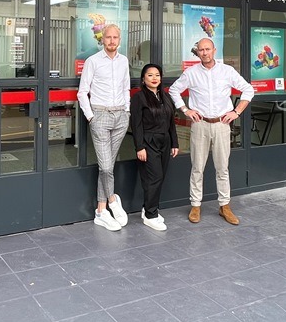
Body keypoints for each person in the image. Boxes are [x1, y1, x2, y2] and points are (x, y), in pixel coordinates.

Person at [169, 37, 254, 224]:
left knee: (222, 168)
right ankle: (195, 206)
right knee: (197, 168)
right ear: (197, 52)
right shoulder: (191, 73)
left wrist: (236, 112)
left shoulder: (227, 71)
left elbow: (248, 90)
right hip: (200, 125)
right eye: (201, 50)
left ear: (214, 50)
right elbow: (174, 90)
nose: (205, 52)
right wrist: (185, 109)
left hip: (221, 124)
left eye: (208, 49)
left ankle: (224, 206)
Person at [77, 23, 130, 231]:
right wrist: (91, 117)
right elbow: (82, 92)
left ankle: (100, 210)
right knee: (106, 166)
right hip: (100, 115)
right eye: (108, 37)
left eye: (115, 37)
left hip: (120, 116)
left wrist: (127, 111)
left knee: (106, 167)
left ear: (120, 39)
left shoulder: (124, 61)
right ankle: (112, 200)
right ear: (102, 39)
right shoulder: (92, 61)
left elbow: (126, 88)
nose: (111, 41)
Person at [130, 63, 179, 231]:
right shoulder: (139, 97)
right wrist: (139, 147)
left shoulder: (165, 96)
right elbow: (136, 124)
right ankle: (151, 216)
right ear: (143, 79)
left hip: (165, 141)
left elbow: (171, 121)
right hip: (148, 141)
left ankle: (149, 209)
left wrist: (175, 143)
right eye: (150, 75)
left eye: (157, 75)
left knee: (160, 177)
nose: (154, 78)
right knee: (154, 177)